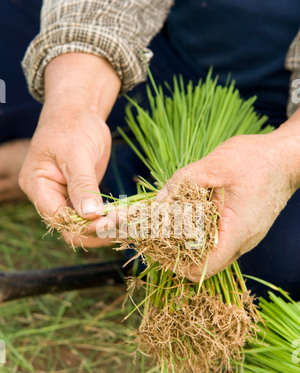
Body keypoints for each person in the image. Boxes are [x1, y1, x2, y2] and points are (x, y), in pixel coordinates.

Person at [1, 0, 300, 298]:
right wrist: (73, 103)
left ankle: (115, 165)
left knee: (272, 260)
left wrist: (284, 158)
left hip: (283, 111)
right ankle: (101, 154)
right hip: (158, 52)